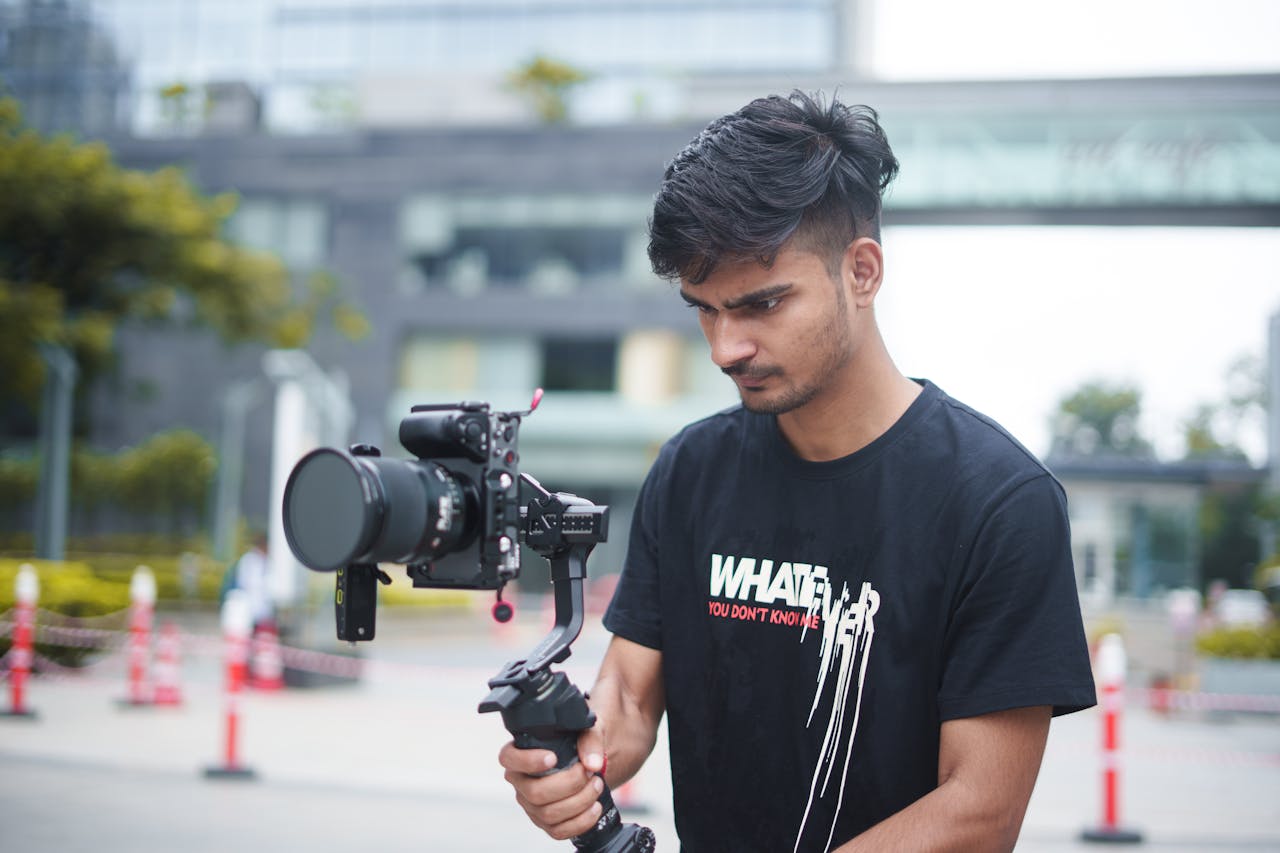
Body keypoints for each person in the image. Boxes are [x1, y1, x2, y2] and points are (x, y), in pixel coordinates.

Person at [499, 91, 1097, 852]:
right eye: (705, 310)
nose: (725, 348)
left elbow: (979, 812)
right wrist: (573, 760)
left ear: (863, 271)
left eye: (761, 304)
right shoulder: (691, 470)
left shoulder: (999, 501)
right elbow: (629, 694)